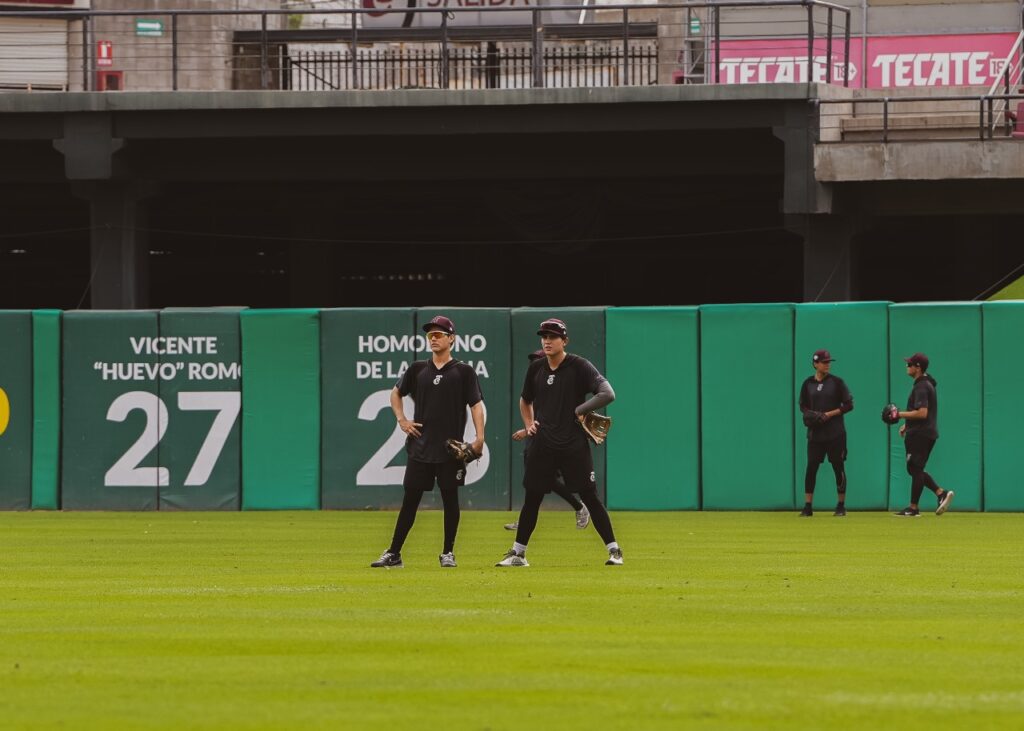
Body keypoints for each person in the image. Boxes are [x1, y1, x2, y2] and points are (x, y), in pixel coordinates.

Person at [496, 318, 622, 567]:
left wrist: (581, 409)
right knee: (532, 498)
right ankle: (518, 554)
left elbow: (608, 393)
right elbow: (525, 400)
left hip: (573, 444)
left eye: (552, 337)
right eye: (544, 336)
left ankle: (615, 551)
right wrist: (529, 423)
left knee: (590, 496)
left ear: (564, 341)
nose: (547, 340)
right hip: (543, 445)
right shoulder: (536, 368)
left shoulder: (579, 366)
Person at [370, 315, 485, 568]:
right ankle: (394, 553)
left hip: (449, 449)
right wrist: (402, 420)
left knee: (450, 500)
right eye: (430, 334)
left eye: (439, 334)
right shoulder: (418, 369)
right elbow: (395, 393)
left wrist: (479, 437)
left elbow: (476, 404)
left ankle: (448, 553)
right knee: (409, 502)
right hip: (421, 447)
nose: (433, 338)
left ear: (451, 338)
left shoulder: (463, 371)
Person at [504, 350, 591, 532]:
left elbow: (550, 419)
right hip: (537, 439)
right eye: (533, 360)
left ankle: (579, 507)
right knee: (537, 482)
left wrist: (526, 431)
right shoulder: (536, 382)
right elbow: (533, 415)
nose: (535, 363)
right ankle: (528, 518)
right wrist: (527, 429)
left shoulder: (558, 382)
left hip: (557, 441)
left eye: (538, 359)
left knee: (545, 481)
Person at [892, 352, 954, 517]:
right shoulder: (926, 383)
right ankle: (940, 493)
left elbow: (922, 413)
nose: (907, 366)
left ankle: (913, 508)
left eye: (909, 364)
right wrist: (907, 424)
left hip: (921, 434)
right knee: (915, 469)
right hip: (924, 431)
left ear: (917, 367)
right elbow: (922, 413)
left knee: (915, 468)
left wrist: (899, 414)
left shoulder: (921, 386)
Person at [798, 349, 854, 517]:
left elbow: (849, 405)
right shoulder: (808, 383)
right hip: (815, 434)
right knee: (811, 468)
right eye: (824, 362)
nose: (827, 364)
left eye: (829, 362)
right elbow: (803, 405)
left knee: (838, 467)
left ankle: (841, 505)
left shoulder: (837, 382)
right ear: (815, 363)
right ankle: (808, 506)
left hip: (835, 433)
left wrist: (829, 414)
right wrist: (812, 415)